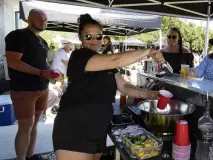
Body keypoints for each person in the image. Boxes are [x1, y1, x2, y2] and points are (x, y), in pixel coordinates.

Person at [52, 14, 165, 160]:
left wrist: (148, 94)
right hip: (75, 128)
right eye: (88, 36)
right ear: (80, 38)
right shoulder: (78, 56)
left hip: (98, 128)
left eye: (98, 36)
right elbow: (116, 59)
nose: (94, 40)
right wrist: (148, 51)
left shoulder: (104, 61)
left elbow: (123, 85)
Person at [5, 9, 57, 160]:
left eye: (46, 20)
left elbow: (43, 63)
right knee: (24, 128)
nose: (43, 22)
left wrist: (50, 71)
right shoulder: (18, 36)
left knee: (34, 125)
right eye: (40, 19)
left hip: (42, 88)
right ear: (29, 20)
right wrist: (41, 72)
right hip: (24, 90)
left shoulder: (43, 41)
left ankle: (31, 155)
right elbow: (13, 62)